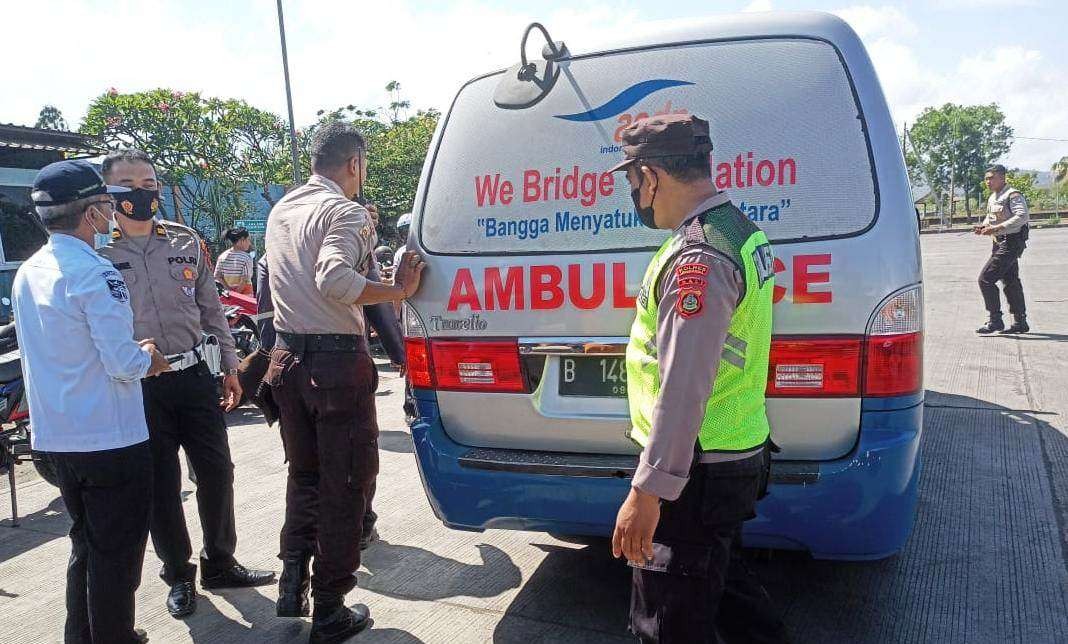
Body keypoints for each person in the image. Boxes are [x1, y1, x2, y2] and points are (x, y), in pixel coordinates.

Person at [608, 115, 788, 643]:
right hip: (728, 453)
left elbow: (684, 385)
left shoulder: (699, 257)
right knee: (727, 597)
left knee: (665, 625)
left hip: (693, 472)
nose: (635, 194)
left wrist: (649, 490)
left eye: (632, 181)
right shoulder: (736, 229)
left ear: (652, 176)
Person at [264, 121, 425, 643]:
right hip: (334, 366)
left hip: (286, 360)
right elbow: (334, 279)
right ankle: (330, 605)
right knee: (347, 484)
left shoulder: (282, 209)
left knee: (305, 476)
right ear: (354, 164)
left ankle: (293, 579)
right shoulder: (345, 212)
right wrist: (396, 289)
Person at [99, 149, 275, 620]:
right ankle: (178, 573)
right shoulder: (97, 252)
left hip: (196, 376)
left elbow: (211, 310)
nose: (141, 191)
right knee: (162, 484)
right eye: (129, 183)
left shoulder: (185, 240)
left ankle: (221, 561)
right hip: (140, 386)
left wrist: (231, 368)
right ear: (109, 192)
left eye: (149, 181)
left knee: (217, 472)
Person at [13, 160, 172, 643]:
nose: (110, 213)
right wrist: (150, 358)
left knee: (85, 545)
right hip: (111, 438)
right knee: (117, 557)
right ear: (91, 213)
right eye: (105, 205)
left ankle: (81, 635)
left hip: (58, 438)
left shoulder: (28, 272)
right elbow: (123, 362)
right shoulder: (96, 272)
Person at [252, 251, 405, 550]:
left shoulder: (275, 250)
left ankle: (300, 568)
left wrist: (274, 366)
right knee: (356, 454)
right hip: (344, 363)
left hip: (290, 364)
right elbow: (375, 304)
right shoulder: (345, 239)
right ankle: (359, 526)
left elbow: (267, 317)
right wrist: (398, 351)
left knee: (303, 466)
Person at [974, 164, 1030, 334]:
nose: (987, 181)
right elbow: (991, 217)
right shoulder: (993, 197)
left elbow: (1022, 216)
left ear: (1002, 178)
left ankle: (995, 320)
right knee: (1011, 281)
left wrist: (997, 228)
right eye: (986, 178)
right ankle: (1020, 322)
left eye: (991, 178)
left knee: (985, 279)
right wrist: (984, 226)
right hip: (999, 242)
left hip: (1011, 242)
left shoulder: (1012, 195)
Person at [215, 226, 256, 295]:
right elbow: (245, 279)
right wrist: (237, 294)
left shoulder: (222, 257)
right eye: (248, 240)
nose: (249, 243)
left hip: (228, 297)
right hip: (246, 297)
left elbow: (217, 276)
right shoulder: (246, 258)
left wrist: (229, 291)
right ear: (242, 240)